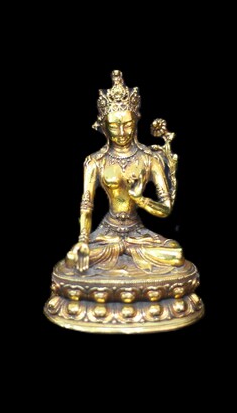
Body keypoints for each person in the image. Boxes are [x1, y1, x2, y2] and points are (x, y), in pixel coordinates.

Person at [64, 70, 183, 276]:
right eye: (114, 126)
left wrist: (140, 199)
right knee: (73, 258)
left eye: (127, 125)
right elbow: (86, 204)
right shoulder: (95, 161)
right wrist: (83, 241)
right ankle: (114, 252)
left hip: (138, 233)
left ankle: (125, 253)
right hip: (107, 233)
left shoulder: (149, 159)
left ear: (136, 122)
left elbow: (166, 209)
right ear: (104, 126)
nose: (121, 133)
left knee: (176, 254)